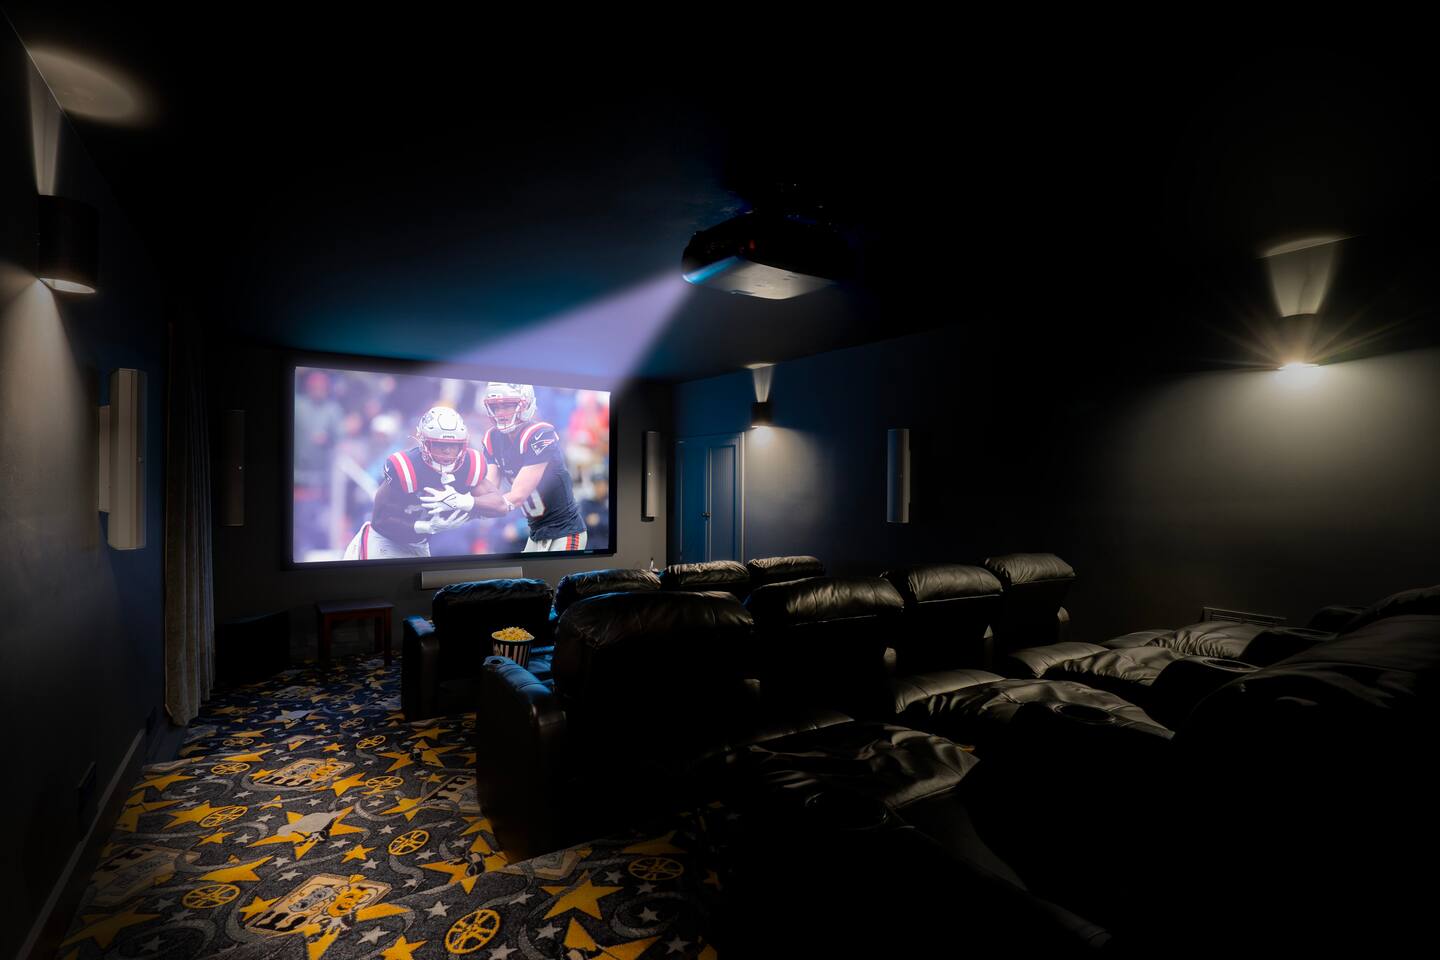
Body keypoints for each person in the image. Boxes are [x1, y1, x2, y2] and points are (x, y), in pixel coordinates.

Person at [343, 405, 507, 559]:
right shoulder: (406, 468)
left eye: (453, 446)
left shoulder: (469, 466)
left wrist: (464, 501)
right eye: (440, 445)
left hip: (419, 544)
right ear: (424, 443)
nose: (447, 452)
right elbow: (380, 521)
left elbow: (500, 505)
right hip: (384, 541)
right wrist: (423, 526)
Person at [479, 382, 589, 552]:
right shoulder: (493, 438)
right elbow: (489, 490)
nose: (500, 413)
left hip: (564, 530)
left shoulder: (540, 435)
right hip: (536, 533)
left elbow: (518, 496)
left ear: (526, 403)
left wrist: (474, 505)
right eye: (496, 407)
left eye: (507, 405)